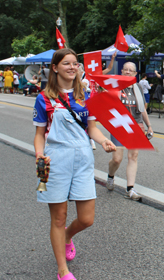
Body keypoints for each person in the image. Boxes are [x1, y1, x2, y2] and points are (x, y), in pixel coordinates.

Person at [33, 48, 116, 280]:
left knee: (87, 218)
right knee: (58, 218)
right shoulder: (44, 98)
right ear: (55, 67)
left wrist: (103, 141)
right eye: (67, 63)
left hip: (82, 160)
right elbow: (40, 134)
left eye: (75, 64)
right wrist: (39, 154)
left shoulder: (85, 96)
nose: (72, 67)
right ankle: (63, 270)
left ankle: (67, 236)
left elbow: (92, 128)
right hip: (53, 161)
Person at [107, 62, 154, 199]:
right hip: (119, 124)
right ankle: (111, 176)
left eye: (131, 70)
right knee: (117, 159)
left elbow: (142, 108)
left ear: (135, 74)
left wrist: (149, 125)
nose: (128, 72)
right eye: (125, 69)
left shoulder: (138, 86)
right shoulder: (114, 86)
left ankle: (130, 189)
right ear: (122, 71)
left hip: (136, 124)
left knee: (133, 156)